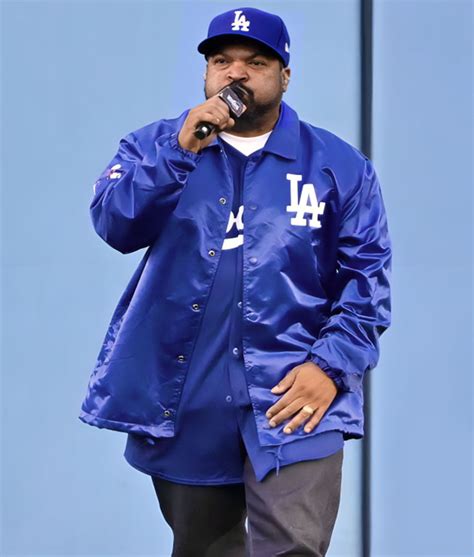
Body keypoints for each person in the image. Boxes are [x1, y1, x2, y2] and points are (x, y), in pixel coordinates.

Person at [79, 6, 392, 556]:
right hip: (187, 392)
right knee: (204, 548)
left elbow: (366, 281)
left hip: (295, 390)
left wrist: (330, 367)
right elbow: (116, 224)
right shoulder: (158, 145)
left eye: (256, 62)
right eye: (221, 60)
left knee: (293, 547)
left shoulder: (340, 167)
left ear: (285, 76)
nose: (236, 73)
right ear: (207, 73)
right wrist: (180, 151)